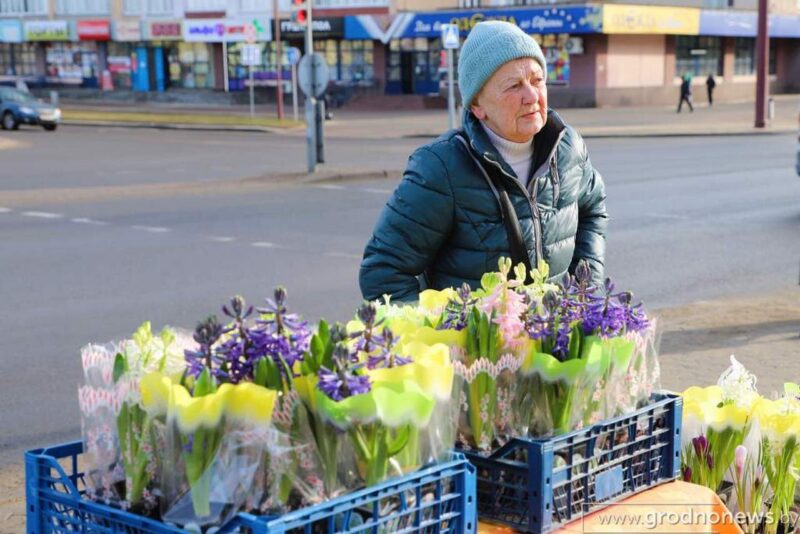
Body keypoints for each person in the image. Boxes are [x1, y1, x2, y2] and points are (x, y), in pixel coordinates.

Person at [359, 21, 608, 302]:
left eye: (537, 80)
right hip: (478, 344)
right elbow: (384, 273)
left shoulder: (567, 147)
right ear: (477, 105)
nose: (531, 96)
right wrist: (444, 336)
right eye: (514, 85)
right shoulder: (441, 167)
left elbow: (593, 208)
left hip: (555, 339)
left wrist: (584, 291)